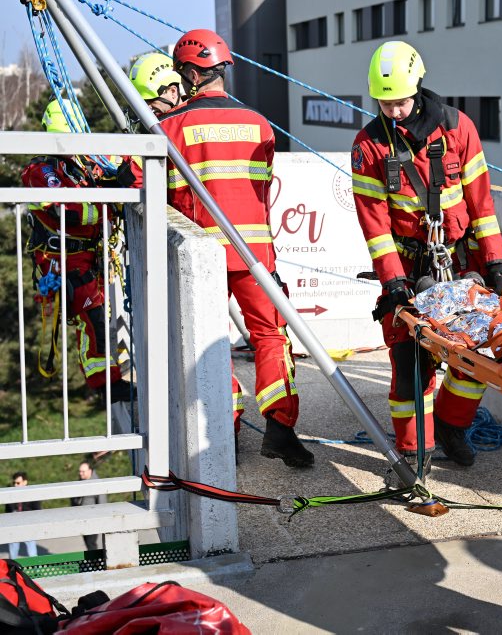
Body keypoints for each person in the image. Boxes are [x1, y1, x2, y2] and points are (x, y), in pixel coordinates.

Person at [352, 41, 502, 480]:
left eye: (400, 102)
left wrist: (495, 263)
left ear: (417, 88)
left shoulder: (459, 129)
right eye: (384, 103)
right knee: (410, 369)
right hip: (406, 267)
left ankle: (452, 427)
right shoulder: (368, 146)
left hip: (458, 262)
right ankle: (414, 457)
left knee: (477, 357)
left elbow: (481, 203)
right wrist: (395, 282)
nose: (394, 111)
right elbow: (375, 225)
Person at [157, 29, 312, 468]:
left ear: (190, 73)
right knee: (270, 336)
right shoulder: (259, 123)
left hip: (201, 255)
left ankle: (229, 432)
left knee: (211, 344)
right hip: (254, 253)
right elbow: (261, 191)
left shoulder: (171, 127)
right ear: (222, 70)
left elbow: (156, 192)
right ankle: (281, 429)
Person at [22, 100, 131, 403]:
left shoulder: (80, 163)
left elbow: (113, 170)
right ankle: (104, 385)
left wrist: (119, 179)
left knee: (96, 317)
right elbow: (66, 210)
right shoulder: (40, 170)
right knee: (92, 318)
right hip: (60, 260)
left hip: (85, 256)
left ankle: (105, 381)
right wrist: (107, 205)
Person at [70, 461, 106, 551]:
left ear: (90, 471)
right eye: (79, 471)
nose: (80, 473)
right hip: (82, 518)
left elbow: (102, 502)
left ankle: (95, 562)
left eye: (83, 471)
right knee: (88, 542)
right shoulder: (80, 481)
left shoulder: (96, 483)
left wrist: (100, 518)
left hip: (93, 518)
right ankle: (94, 561)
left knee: (91, 543)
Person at [5, 472, 42, 558]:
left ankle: (35, 569)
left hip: (28, 524)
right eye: (14, 483)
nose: (15, 485)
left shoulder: (32, 494)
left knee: (32, 551)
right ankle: (13, 569)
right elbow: (7, 511)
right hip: (14, 525)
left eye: (18, 483)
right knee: (13, 551)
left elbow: (37, 510)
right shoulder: (10, 495)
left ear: (25, 482)